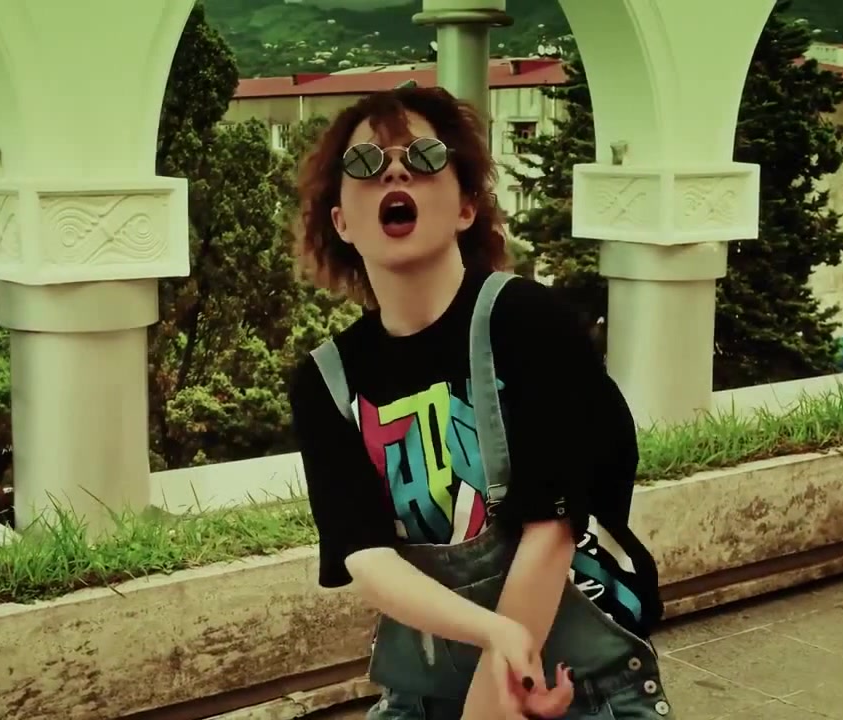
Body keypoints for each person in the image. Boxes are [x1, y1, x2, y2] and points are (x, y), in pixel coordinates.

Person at [288, 86, 672, 720]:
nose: (394, 171)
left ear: (466, 207)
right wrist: (495, 635)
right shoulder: (326, 382)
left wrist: (495, 696)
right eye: (365, 163)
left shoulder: (528, 323)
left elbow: (551, 529)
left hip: (578, 687)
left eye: (425, 157)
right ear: (342, 222)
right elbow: (367, 556)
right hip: (427, 693)